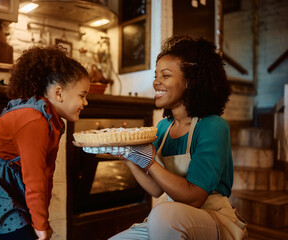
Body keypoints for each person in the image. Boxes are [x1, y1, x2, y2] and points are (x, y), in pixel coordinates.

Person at [84, 36, 247, 239]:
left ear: (190, 81)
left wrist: (149, 161)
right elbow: (155, 189)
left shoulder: (212, 126)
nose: (156, 82)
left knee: (162, 214)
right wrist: (129, 158)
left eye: (165, 75)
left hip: (212, 219)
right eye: (156, 75)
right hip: (170, 219)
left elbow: (195, 198)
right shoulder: (163, 128)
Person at [0, 46, 90, 240]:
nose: (85, 103)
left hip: (9, 173)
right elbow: (34, 179)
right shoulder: (34, 120)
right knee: (19, 233)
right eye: (82, 95)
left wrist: (42, 221)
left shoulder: (55, 122)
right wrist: (40, 226)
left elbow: (46, 174)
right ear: (59, 93)